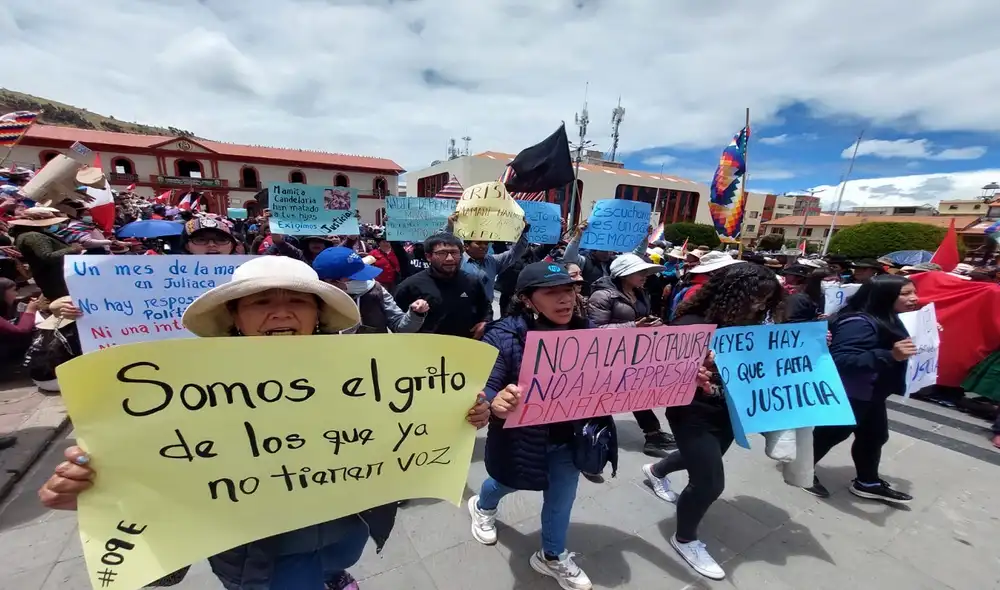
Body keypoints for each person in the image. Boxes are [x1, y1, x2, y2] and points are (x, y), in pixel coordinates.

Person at [38, 256, 491, 590]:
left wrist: (458, 417)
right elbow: (155, 476)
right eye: (261, 302)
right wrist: (99, 495)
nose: (281, 311)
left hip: (347, 532)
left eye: (297, 300)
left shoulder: (365, 370)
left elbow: (406, 427)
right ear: (234, 317)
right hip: (263, 562)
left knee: (336, 563)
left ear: (318, 316)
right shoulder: (186, 391)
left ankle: (334, 577)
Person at [468, 262, 612, 590]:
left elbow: (620, 374)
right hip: (521, 438)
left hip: (569, 439)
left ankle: (552, 555)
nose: (565, 299)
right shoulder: (504, 335)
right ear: (527, 299)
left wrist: (684, 371)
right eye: (551, 293)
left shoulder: (588, 331)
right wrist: (493, 401)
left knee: (561, 500)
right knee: (504, 483)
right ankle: (483, 506)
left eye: (569, 290)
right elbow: (487, 383)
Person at [642, 264, 784, 581]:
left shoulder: (750, 324)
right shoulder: (691, 324)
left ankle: (656, 470)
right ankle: (685, 539)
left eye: (765, 300)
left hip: (728, 412)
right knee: (709, 483)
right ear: (732, 294)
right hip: (692, 413)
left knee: (707, 457)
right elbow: (659, 376)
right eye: (755, 298)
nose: (759, 306)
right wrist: (690, 372)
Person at [807, 275, 919, 504]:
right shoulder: (858, 322)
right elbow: (841, 360)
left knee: (874, 436)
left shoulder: (891, 318)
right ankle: (801, 470)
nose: (914, 298)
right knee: (830, 435)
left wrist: (925, 333)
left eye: (914, 292)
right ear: (884, 296)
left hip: (872, 393)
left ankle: (867, 482)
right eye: (905, 293)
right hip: (850, 393)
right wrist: (890, 355)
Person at [586, 253, 677, 458]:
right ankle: (592, 440)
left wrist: (653, 323)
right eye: (640, 272)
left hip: (634, 354)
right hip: (608, 357)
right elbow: (594, 331)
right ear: (624, 274)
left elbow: (641, 318)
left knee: (637, 392)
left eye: (645, 271)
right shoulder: (602, 296)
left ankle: (653, 434)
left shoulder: (640, 292)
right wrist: (633, 326)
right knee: (601, 398)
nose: (645, 275)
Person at [394, 232, 492, 339]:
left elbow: (486, 308)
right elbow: (397, 322)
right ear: (428, 256)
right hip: (425, 346)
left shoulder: (472, 282)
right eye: (442, 253)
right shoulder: (410, 285)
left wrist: (485, 323)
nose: (450, 258)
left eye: (454, 253)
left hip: (465, 344)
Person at [312, 246, 428, 333]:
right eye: (354, 277)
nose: (363, 280)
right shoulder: (315, 298)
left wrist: (415, 314)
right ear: (330, 281)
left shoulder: (376, 290)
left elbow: (400, 326)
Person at [444, 212, 530, 307]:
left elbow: (515, 252)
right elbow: (441, 245)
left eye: (486, 243)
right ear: (466, 246)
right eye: (478, 243)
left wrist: (523, 231)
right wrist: (449, 227)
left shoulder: (494, 261)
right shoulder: (455, 261)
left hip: (485, 311)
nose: (483, 246)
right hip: (460, 309)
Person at [9, 208, 83, 300]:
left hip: (50, 277)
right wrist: (73, 249)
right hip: (54, 278)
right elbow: (47, 256)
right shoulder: (34, 236)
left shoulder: (27, 234)